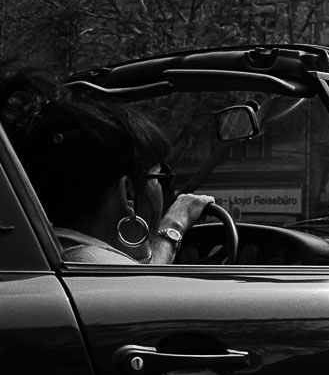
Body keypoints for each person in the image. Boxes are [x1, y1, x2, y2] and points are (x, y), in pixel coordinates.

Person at [0, 66, 213, 264]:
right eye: (159, 177)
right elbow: (148, 293)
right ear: (128, 191)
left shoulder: (39, 254)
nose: (161, 190)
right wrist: (173, 228)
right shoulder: (99, 266)